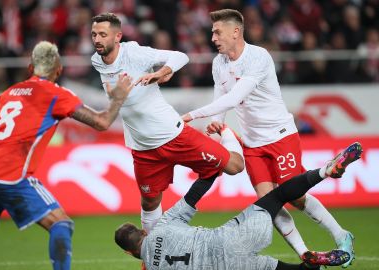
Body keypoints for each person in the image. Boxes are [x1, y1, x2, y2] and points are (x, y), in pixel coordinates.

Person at [181, 9, 355, 267]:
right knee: (269, 205)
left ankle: (342, 235)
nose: (213, 37)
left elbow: (234, 97)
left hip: (280, 136)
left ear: (235, 31)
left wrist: (191, 115)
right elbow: (221, 99)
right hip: (252, 145)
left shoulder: (258, 57)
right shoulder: (219, 63)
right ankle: (306, 255)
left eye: (217, 32)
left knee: (294, 197)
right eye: (212, 32)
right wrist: (219, 126)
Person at [0, 41, 134, 270]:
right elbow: (102, 122)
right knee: (61, 225)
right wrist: (118, 98)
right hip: (8, 171)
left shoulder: (6, 94)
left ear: (29, 67)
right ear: (59, 70)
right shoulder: (55, 93)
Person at [90, 13, 245, 234]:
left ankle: (227, 132)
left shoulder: (134, 53)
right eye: (94, 34)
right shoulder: (97, 60)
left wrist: (163, 71)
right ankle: (153, 257)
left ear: (118, 37)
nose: (97, 39)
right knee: (149, 202)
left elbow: (181, 56)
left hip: (174, 135)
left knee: (235, 167)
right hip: (142, 147)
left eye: (103, 34)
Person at [115, 142, 362, 270]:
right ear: (144, 231)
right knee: (276, 197)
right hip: (230, 239)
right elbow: (193, 196)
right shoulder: (163, 226)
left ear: (129, 253)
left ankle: (311, 262)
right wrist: (212, 168)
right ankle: (324, 171)